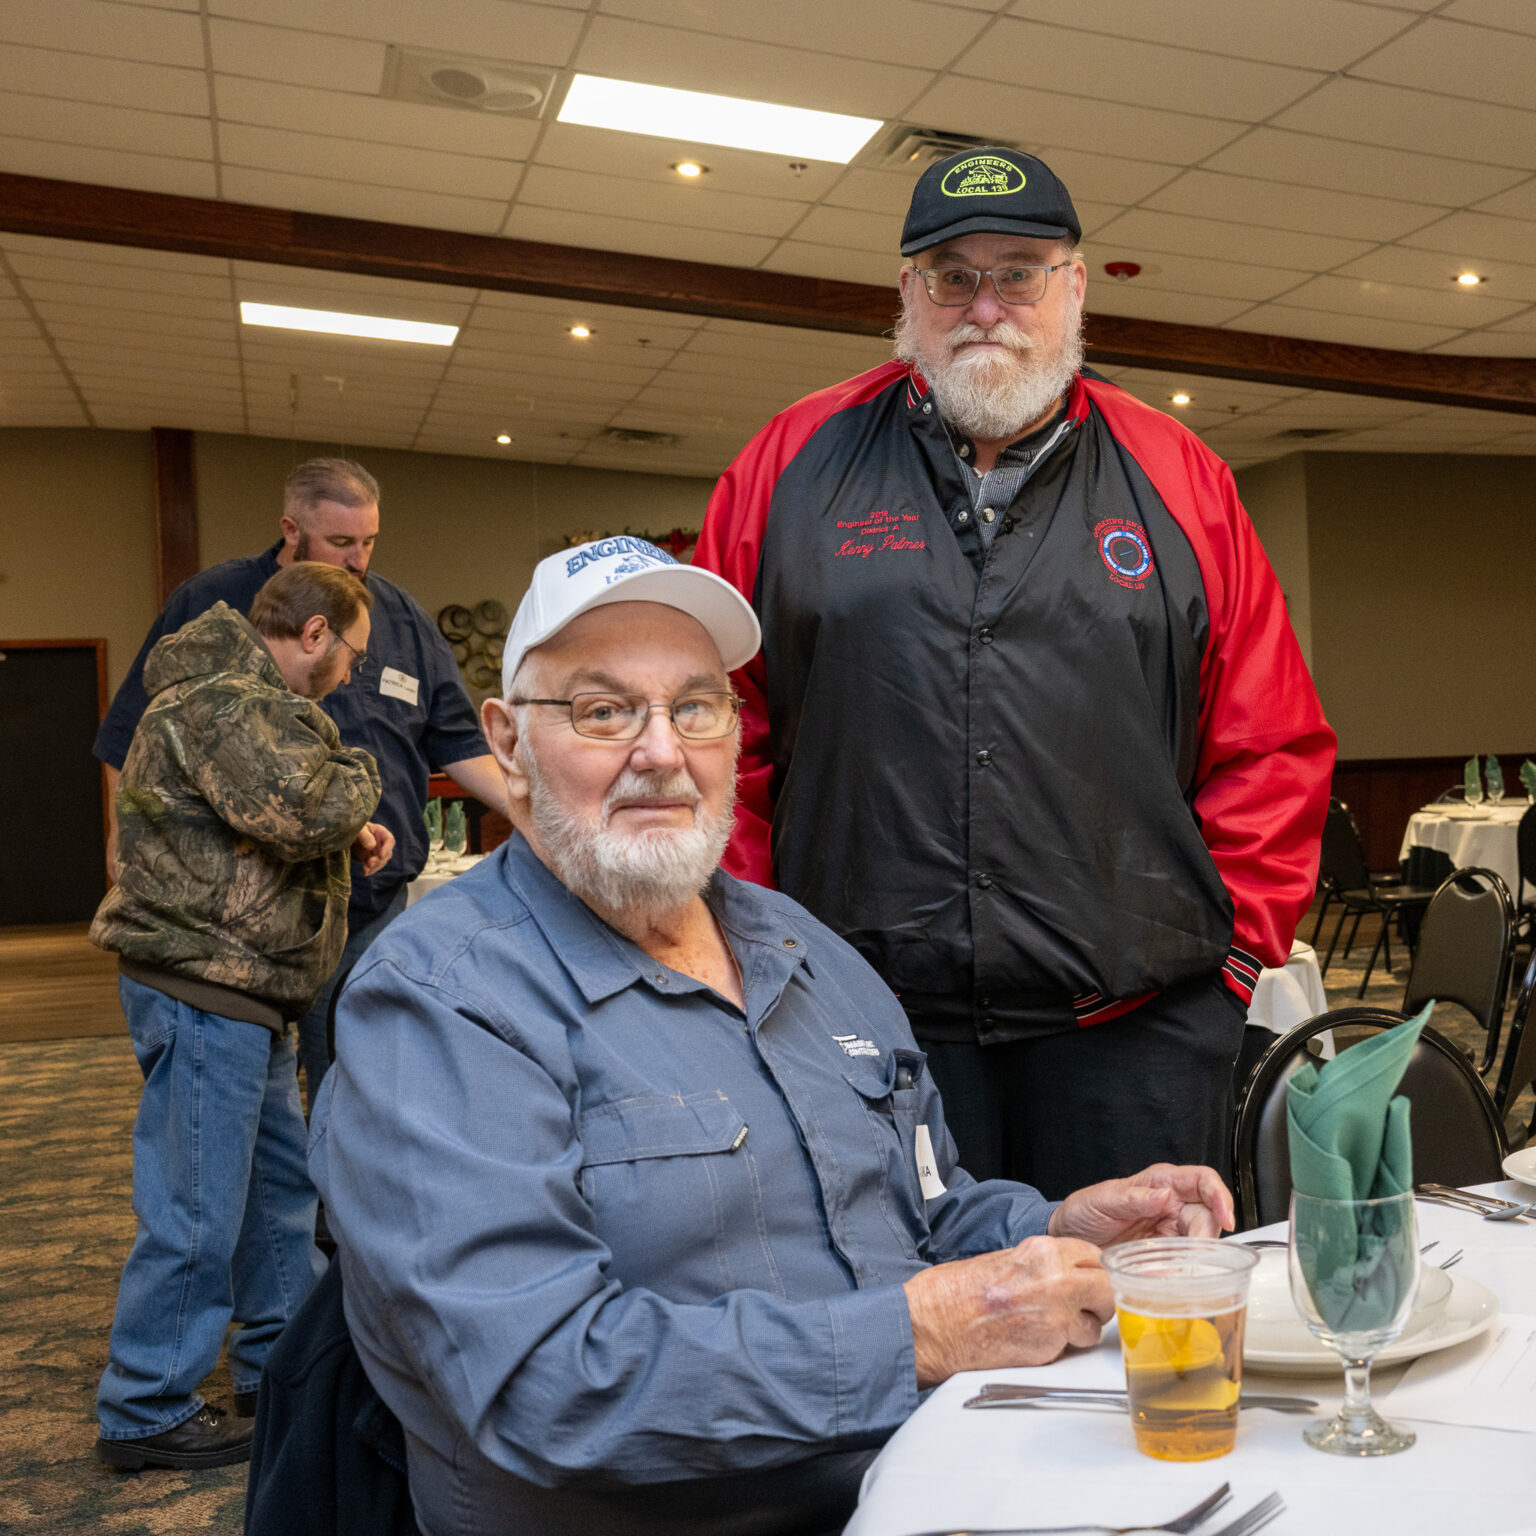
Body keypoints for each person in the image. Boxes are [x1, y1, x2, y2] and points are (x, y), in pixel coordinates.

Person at [307, 537, 1234, 1536]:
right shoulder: (441, 1003)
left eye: (695, 707)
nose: (661, 753)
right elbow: (545, 1384)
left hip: (936, 1484)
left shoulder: (806, 950)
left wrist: (1054, 1233)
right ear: (507, 743)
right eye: (603, 710)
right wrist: (919, 1336)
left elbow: (922, 1211)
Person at [691, 146, 1336, 1198]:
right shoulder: (789, 465)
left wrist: (1232, 964)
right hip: (863, 1028)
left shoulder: (1182, 477)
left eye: (1020, 273)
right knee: (904, 1299)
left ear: (1074, 286)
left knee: (1132, 1302)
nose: (985, 306)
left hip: (1136, 1037)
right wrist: (757, 950)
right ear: (908, 293)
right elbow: (715, 728)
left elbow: (1272, 745)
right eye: (953, 276)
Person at [91, 563, 393, 1471]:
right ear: (314, 633)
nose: (351, 672)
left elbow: (269, 820)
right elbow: (306, 806)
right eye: (352, 653)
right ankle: (145, 1404)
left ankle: (279, 1365)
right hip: (205, 985)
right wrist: (362, 775)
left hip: (243, 990)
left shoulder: (237, 705)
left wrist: (345, 828)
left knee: (274, 1196)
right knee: (196, 1204)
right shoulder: (226, 702)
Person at [94, 457, 504, 1095]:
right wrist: (124, 838)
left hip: (370, 898)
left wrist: (536, 815)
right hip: (244, 917)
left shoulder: (399, 616)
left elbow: (457, 740)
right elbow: (132, 732)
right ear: (291, 529)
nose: (358, 560)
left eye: (369, 541)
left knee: (360, 1081)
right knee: (244, 1090)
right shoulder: (215, 601)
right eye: (341, 542)